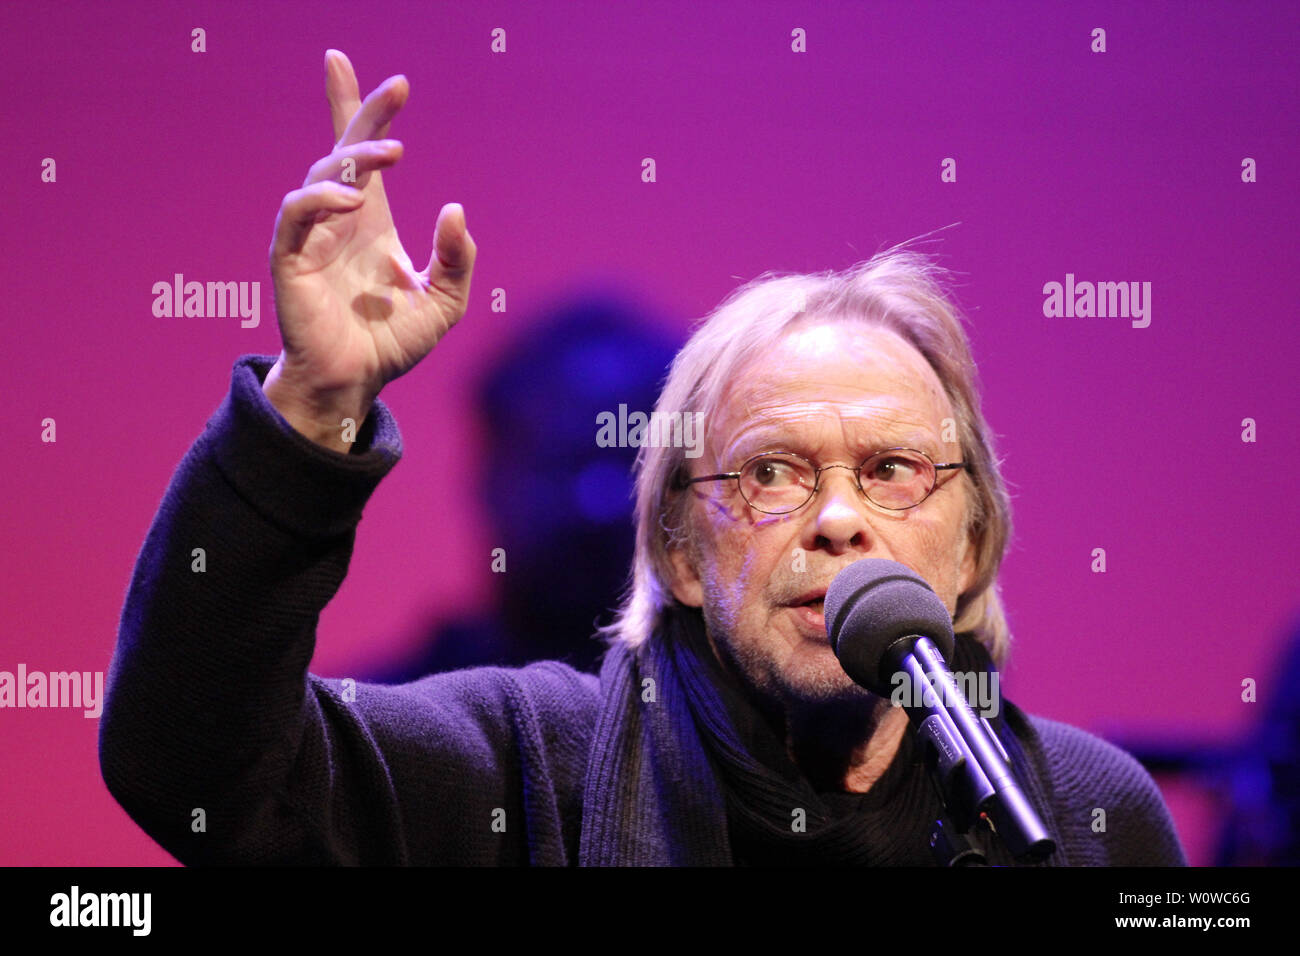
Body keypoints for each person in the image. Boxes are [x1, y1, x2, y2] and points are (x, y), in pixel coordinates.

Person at [99, 50, 1186, 866]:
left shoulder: (1091, 815)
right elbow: (195, 769)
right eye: (771, 472)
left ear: (973, 542)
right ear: (675, 546)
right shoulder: (526, 767)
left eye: (893, 470)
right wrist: (312, 408)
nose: (839, 519)